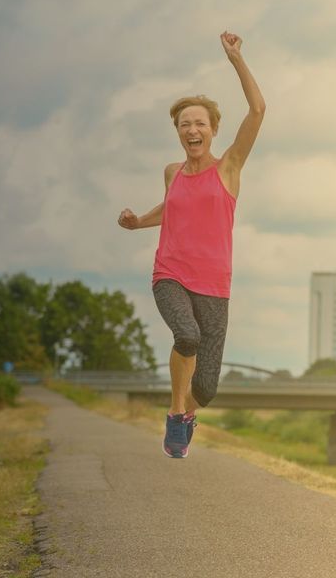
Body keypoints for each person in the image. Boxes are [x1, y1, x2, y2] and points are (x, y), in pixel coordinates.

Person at [117, 31, 265, 458]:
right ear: (178, 132)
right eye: (185, 124)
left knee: (210, 386)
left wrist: (236, 59)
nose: (192, 129)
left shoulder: (229, 168)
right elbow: (171, 209)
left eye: (200, 122)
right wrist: (137, 222)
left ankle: (188, 411)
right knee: (187, 334)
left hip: (215, 285)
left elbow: (258, 110)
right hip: (171, 274)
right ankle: (175, 412)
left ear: (214, 129)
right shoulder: (172, 172)